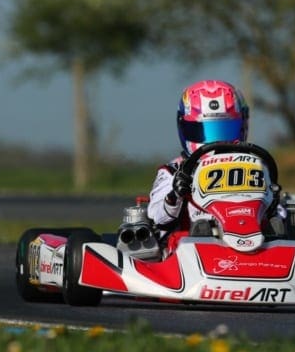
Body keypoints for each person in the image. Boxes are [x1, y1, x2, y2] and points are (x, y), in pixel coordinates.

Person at [120, 79, 285, 259]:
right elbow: (158, 217)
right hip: (190, 251)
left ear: (242, 125)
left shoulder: (256, 165)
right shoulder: (173, 171)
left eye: (225, 130)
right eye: (203, 131)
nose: (215, 141)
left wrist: (274, 206)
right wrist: (175, 195)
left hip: (254, 246)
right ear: (186, 128)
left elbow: (277, 211)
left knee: (278, 226)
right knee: (198, 231)